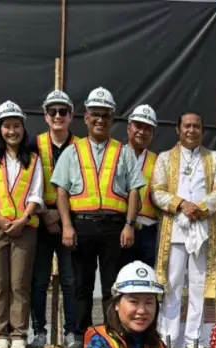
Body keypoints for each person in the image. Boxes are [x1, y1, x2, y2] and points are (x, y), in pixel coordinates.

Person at [52, 87, 145, 334]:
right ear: (86, 117)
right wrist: (67, 226)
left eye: (105, 115)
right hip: (81, 225)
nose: (100, 120)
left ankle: (110, 333)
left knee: (112, 286)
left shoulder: (123, 152)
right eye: (96, 114)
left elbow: (135, 190)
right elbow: (61, 192)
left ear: (112, 119)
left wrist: (129, 224)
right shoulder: (72, 151)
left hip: (114, 227)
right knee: (80, 283)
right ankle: (80, 333)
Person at [153, 111, 216, 348]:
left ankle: (194, 340)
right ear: (178, 129)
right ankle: (167, 338)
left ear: (202, 130)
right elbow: (156, 191)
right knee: (173, 285)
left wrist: (203, 207)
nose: (191, 130)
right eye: (187, 126)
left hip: (203, 228)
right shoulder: (165, 158)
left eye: (196, 126)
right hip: (175, 229)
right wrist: (181, 204)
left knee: (198, 285)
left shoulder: (215, 159)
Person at [0, 101, 44, 348]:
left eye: (16, 126)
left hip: (24, 229)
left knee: (20, 283)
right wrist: (3, 220)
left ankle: (18, 335)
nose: (12, 131)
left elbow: (36, 195)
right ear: (0, 129)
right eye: (7, 126)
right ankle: (0, 334)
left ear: (23, 129)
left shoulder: (34, 160)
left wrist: (22, 220)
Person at [30, 89, 79, 348]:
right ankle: (39, 332)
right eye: (53, 112)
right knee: (39, 280)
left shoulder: (80, 147)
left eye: (63, 111)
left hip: (69, 221)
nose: (58, 116)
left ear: (71, 115)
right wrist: (42, 213)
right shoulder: (33, 144)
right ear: (45, 115)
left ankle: (71, 332)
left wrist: (62, 217)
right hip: (39, 219)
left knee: (71, 279)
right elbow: (24, 183)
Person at [126, 104, 160, 268]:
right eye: (138, 126)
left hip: (148, 230)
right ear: (129, 128)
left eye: (148, 128)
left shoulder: (159, 161)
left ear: (153, 134)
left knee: (145, 278)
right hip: (121, 226)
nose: (142, 132)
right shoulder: (116, 154)